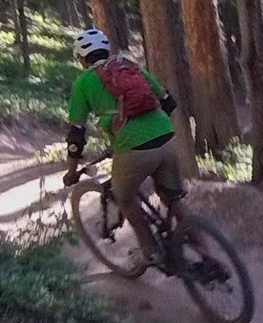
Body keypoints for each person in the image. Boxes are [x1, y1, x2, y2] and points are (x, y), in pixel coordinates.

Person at [63, 26, 183, 268]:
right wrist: (154, 130)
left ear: (82, 59)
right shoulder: (128, 65)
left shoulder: (83, 83)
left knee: (123, 197)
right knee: (173, 199)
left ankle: (150, 251)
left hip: (133, 148)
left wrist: (72, 171)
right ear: (105, 50)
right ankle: (205, 248)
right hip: (167, 137)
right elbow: (168, 102)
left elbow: (76, 137)